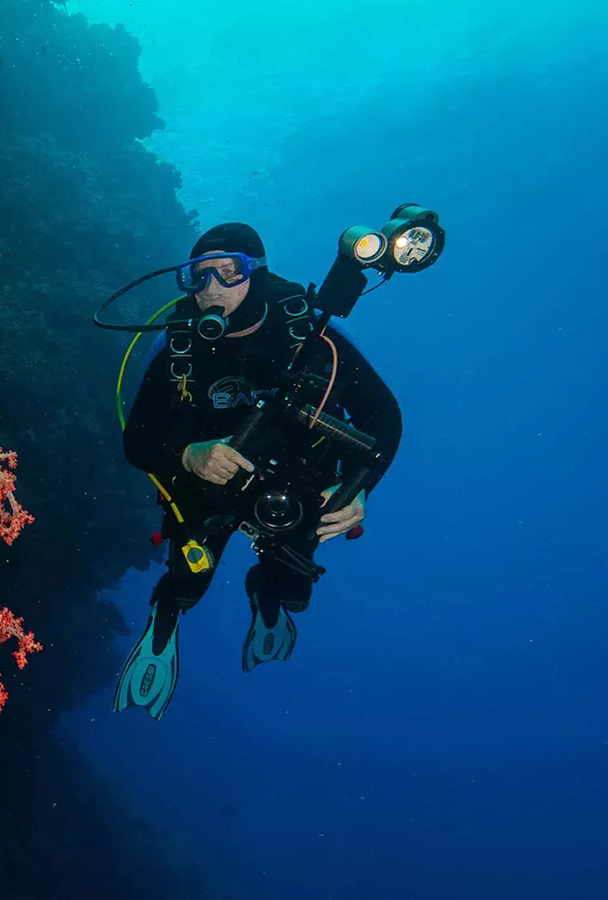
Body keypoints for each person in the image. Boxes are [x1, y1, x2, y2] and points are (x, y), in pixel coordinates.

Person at [114, 222, 402, 719]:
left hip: (297, 489)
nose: (211, 291)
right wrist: (188, 454)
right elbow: (136, 440)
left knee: (293, 592)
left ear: (260, 274)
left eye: (230, 273)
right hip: (205, 492)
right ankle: (166, 615)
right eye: (199, 277)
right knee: (188, 584)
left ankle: (264, 595)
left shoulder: (311, 335)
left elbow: (385, 419)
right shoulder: (178, 346)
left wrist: (360, 491)